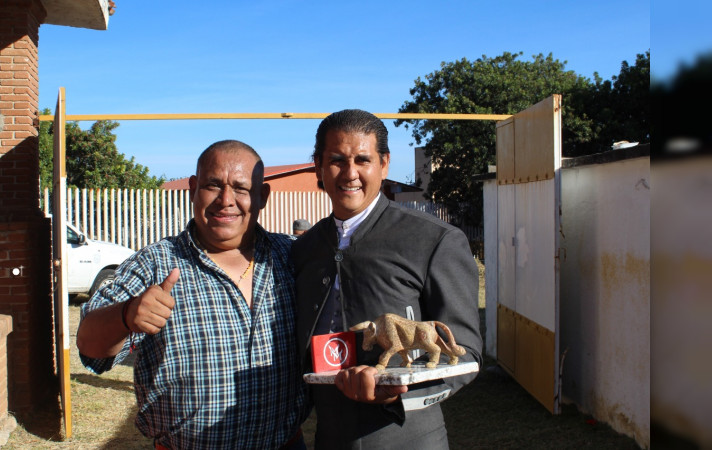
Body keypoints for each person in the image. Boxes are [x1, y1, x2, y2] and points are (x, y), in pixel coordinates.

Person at [77, 140, 306, 449]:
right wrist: (126, 315)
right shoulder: (155, 264)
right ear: (193, 189)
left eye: (241, 188)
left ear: (261, 196)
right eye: (213, 185)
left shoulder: (293, 257)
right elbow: (90, 346)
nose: (226, 200)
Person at [292, 109, 482, 449]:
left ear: (384, 164)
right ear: (318, 165)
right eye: (336, 160)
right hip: (331, 439)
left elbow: (465, 353)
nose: (350, 173)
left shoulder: (434, 240)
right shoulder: (303, 250)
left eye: (363, 160)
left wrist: (397, 394)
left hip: (409, 439)